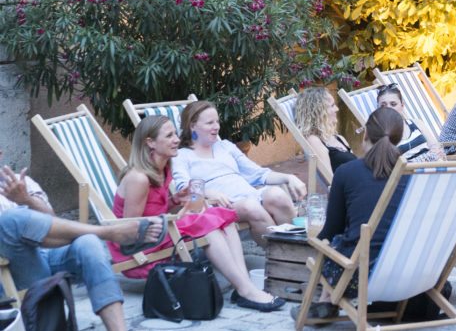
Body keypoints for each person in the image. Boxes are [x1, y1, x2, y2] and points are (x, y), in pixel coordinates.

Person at [113, 115, 285, 311]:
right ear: (150, 142)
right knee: (207, 227)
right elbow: (132, 227)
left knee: (222, 218)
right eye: (169, 136)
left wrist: (174, 201)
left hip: (159, 232)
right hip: (138, 247)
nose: (177, 140)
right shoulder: (139, 178)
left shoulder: (162, 168)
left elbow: (152, 208)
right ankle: (247, 290)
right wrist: (177, 218)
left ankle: (243, 287)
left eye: (175, 134)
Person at [0, 153, 164, 331]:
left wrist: (26, 200)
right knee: (9, 220)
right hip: (14, 268)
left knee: (88, 242)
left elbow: (53, 223)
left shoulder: (22, 182)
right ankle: (108, 233)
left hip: (48, 254)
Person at [300, 107, 413, 320]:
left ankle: (326, 302)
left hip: (359, 277)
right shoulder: (412, 175)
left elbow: (331, 231)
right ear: (398, 139)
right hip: (410, 275)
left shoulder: (346, 172)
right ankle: (327, 303)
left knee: (336, 243)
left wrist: (314, 239)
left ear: (366, 135)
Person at [173, 100, 306, 245]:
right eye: (209, 123)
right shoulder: (182, 155)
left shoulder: (225, 146)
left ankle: (298, 251)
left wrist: (289, 177)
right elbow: (183, 188)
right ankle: (280, 258)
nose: (216, 127)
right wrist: (209, 193)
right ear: (193, 126)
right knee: (251, 207)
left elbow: (258, 173)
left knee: (278, 195)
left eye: (217, 121)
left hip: (249, 195)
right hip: (219, 205)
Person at [293, 87, 357, 173]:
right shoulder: (314, 140)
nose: (337, 109)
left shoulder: (340, 138)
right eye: (332, 106)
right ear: (318, 112)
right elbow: (329, 180)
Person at [376, 83, 438, 162]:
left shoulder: (416, 123)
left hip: (435, 168)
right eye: (383, 105)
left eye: (393, 104)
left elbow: (436, 149)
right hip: (410, 173)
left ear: (402, 106)